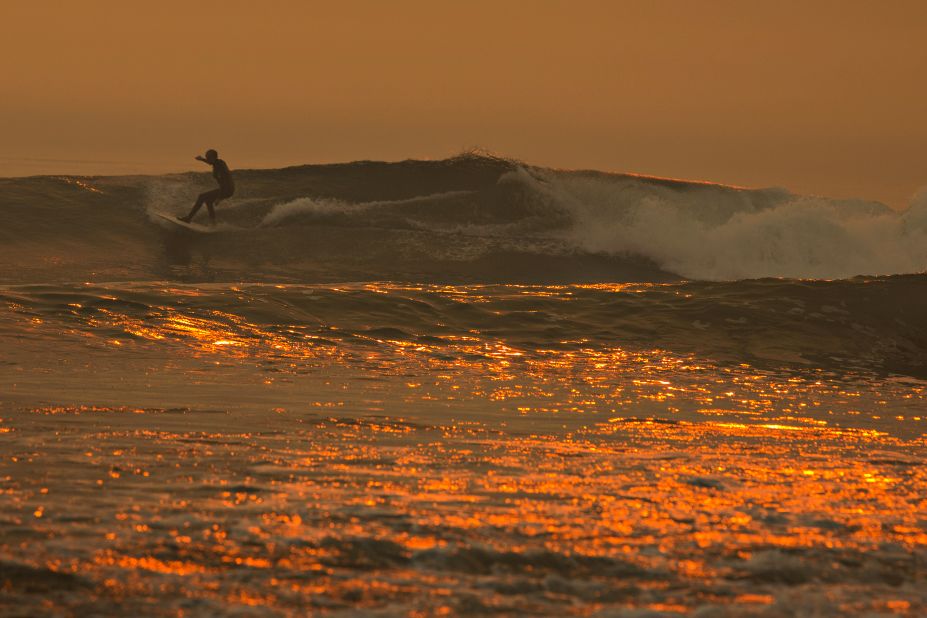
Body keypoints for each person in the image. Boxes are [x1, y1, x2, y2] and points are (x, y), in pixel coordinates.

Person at [179, 149, 234, 224]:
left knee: (201, 197)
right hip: (227, 189)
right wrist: (202, 159)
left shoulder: (220, 167)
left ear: (213, 157)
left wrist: (219, 197)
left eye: (208, 157)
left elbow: (223, 182)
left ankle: (188, 218)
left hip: (227, 189)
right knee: (208, 201)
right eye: (206, 157)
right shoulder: (217, 162)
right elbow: (210, 163)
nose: (207, 159)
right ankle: (213, 222)